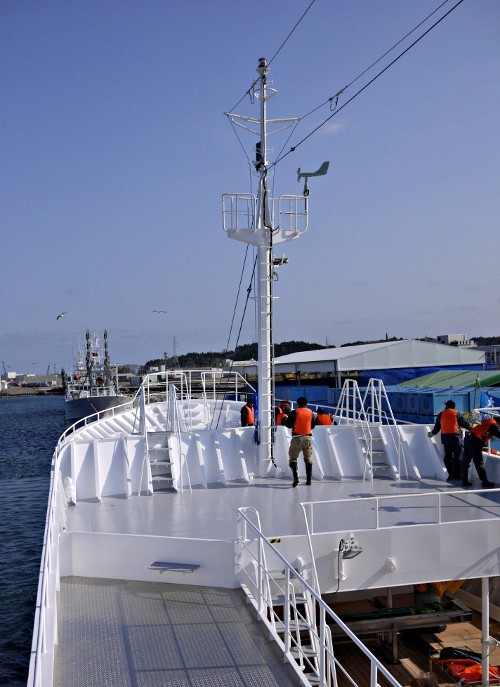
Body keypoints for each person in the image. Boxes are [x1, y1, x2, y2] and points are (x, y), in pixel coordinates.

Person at [428, 400, 472, 480]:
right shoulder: (457, 413)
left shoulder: (441, 414)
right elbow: (465, 424)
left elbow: (437, 427)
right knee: (458, 457)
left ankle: (448, 474)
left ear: (447, 406)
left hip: (446, 439)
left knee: (448, 457)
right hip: (457, 438)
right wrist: (473, 430)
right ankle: (457, 475)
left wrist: (432, 434)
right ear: (453, 406)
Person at [462, 415, 500, 488]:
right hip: (474, 441)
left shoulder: (487, 422)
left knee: (466, 461)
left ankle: (465, 480)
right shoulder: (493, 424)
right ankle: (485, 482)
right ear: (498, 422)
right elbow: (497, 433)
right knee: (479, 462)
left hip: (468, 438)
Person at [285, 397, 316, 487]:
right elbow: (313, 426)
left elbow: (288, 425)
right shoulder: (311, 412)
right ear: (306, 404)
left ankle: (296, 479)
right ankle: (309, 480)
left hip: (297, 438)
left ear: (298, 404)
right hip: (308, 438)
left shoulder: (295, 412)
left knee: (293, 459)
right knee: (308, 459)